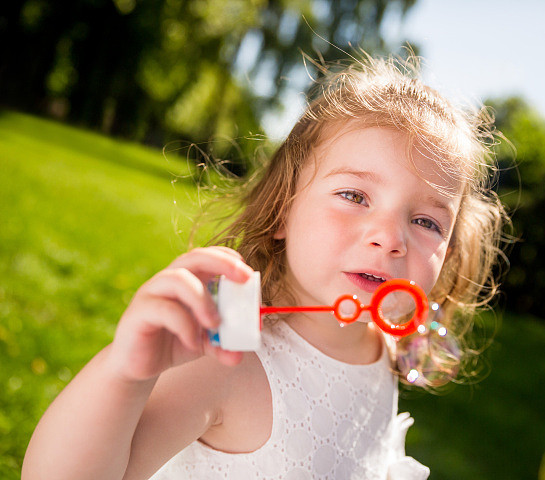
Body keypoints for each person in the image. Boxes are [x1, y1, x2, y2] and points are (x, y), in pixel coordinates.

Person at [22, 54, 509, 479]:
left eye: (425, 220)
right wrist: (126, 372)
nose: (390, 237)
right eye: (354, 195)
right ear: (282, 210)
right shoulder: (226, 357)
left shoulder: (381, 351)